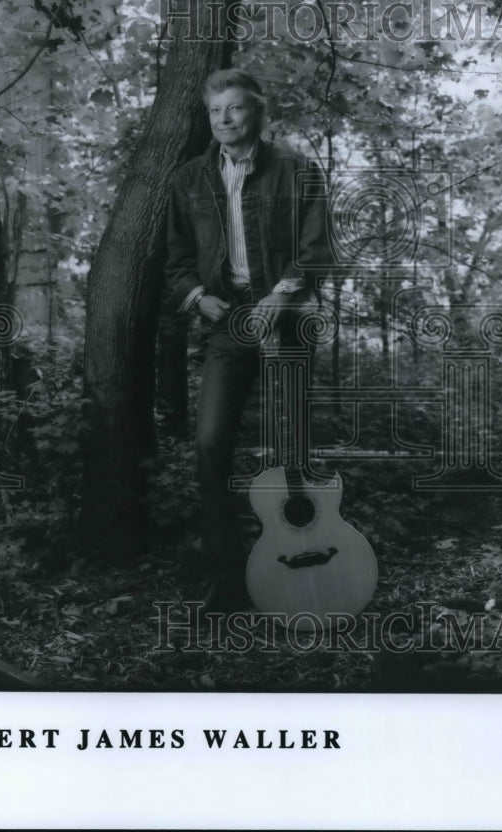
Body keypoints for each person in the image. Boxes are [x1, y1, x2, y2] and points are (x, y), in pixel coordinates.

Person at [165, 68, 332, 612]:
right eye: (215, 112)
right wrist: (195, 296)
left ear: (257, 113)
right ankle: (230, 579)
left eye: (234, 109)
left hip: (284, 317)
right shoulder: (189, 179)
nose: (223, 119)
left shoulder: (297, 169)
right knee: (211, 445)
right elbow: (176, 261)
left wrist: (278, 299)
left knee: (292, 449)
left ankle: (304, 562)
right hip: (227, 322)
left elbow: (317, 249)